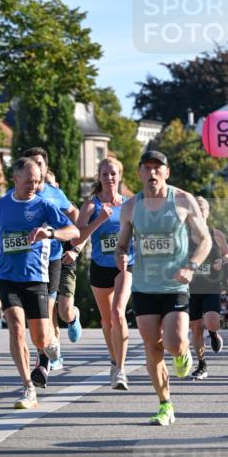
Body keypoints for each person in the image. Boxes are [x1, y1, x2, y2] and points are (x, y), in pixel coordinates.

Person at [0, 155, 78, 408]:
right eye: (29, 181)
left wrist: (50, 233)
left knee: (40, 339)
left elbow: (73, 231)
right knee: (17, 329)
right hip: (8, 277)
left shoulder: (44, 205)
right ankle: (28, 388)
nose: (34, 186)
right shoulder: (1, 205)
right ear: (16, 179)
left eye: (38, 181)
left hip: (36, 278)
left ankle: (51, 345)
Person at [115, 150, 212, 426]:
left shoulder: (182, 200)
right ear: (140, 173)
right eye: (147, 168)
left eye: (158, 168)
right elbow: (122, 244)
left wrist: (191, 266)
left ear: (167, 172)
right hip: (144, 286)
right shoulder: (131, 207)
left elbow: (205, 240)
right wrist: (121, 255)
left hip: (174, 285)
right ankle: (165, 404)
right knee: (152, 346)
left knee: (174, 342)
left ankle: (182, 352)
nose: (152, 173)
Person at [74, 155, 134, 390]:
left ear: (120, 176)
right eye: (105, 174)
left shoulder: (130, 204)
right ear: (99, 177)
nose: (109, 177)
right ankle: (114, 360)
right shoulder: (90, 206)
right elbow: (77, 238)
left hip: (125, 265)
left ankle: (120, 370)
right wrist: (99, 219)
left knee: (118, 313)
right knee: (107, 321)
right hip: (100, 267)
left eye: (113, 173)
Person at [21, 148, 80, 378]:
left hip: (54, 258)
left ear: (45, 168)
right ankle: (53, 353)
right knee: (43, 313)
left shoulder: (55, 194)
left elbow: (75, 216)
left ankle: (45, 357)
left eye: (40, 163)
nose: (36, 167)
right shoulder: (19, 194)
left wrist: (76, 241)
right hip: (29, 261)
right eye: (31, 163)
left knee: (51, 311)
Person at [188, 197, 228, 380]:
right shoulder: (185, 234)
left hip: (211, 285)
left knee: (211, 321)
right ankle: (202, 365)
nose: (200, 211)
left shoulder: (216, 234)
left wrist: (222, 261)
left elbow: (227, 254)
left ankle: (213, 333)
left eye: (202, 208)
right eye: (196, 208)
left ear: (207, 212)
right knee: (196, 328)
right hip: (191, 288)